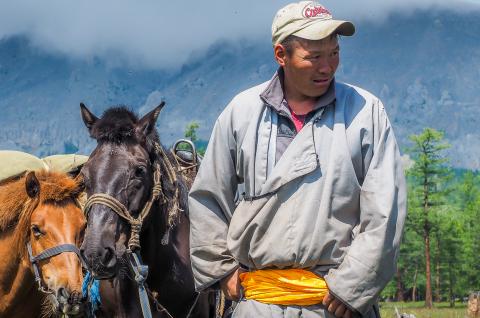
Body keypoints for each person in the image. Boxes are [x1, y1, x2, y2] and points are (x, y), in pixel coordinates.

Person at [188, 1, 406, 317]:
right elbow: (208, 197)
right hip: (258, 304)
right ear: (281, 55)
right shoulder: (242, 112)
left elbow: (385, 209)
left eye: (334, 53)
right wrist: (221, 270)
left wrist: (352, 287)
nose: (327, 66)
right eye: (314, 56)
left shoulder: (366, 112)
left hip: (336, 304)